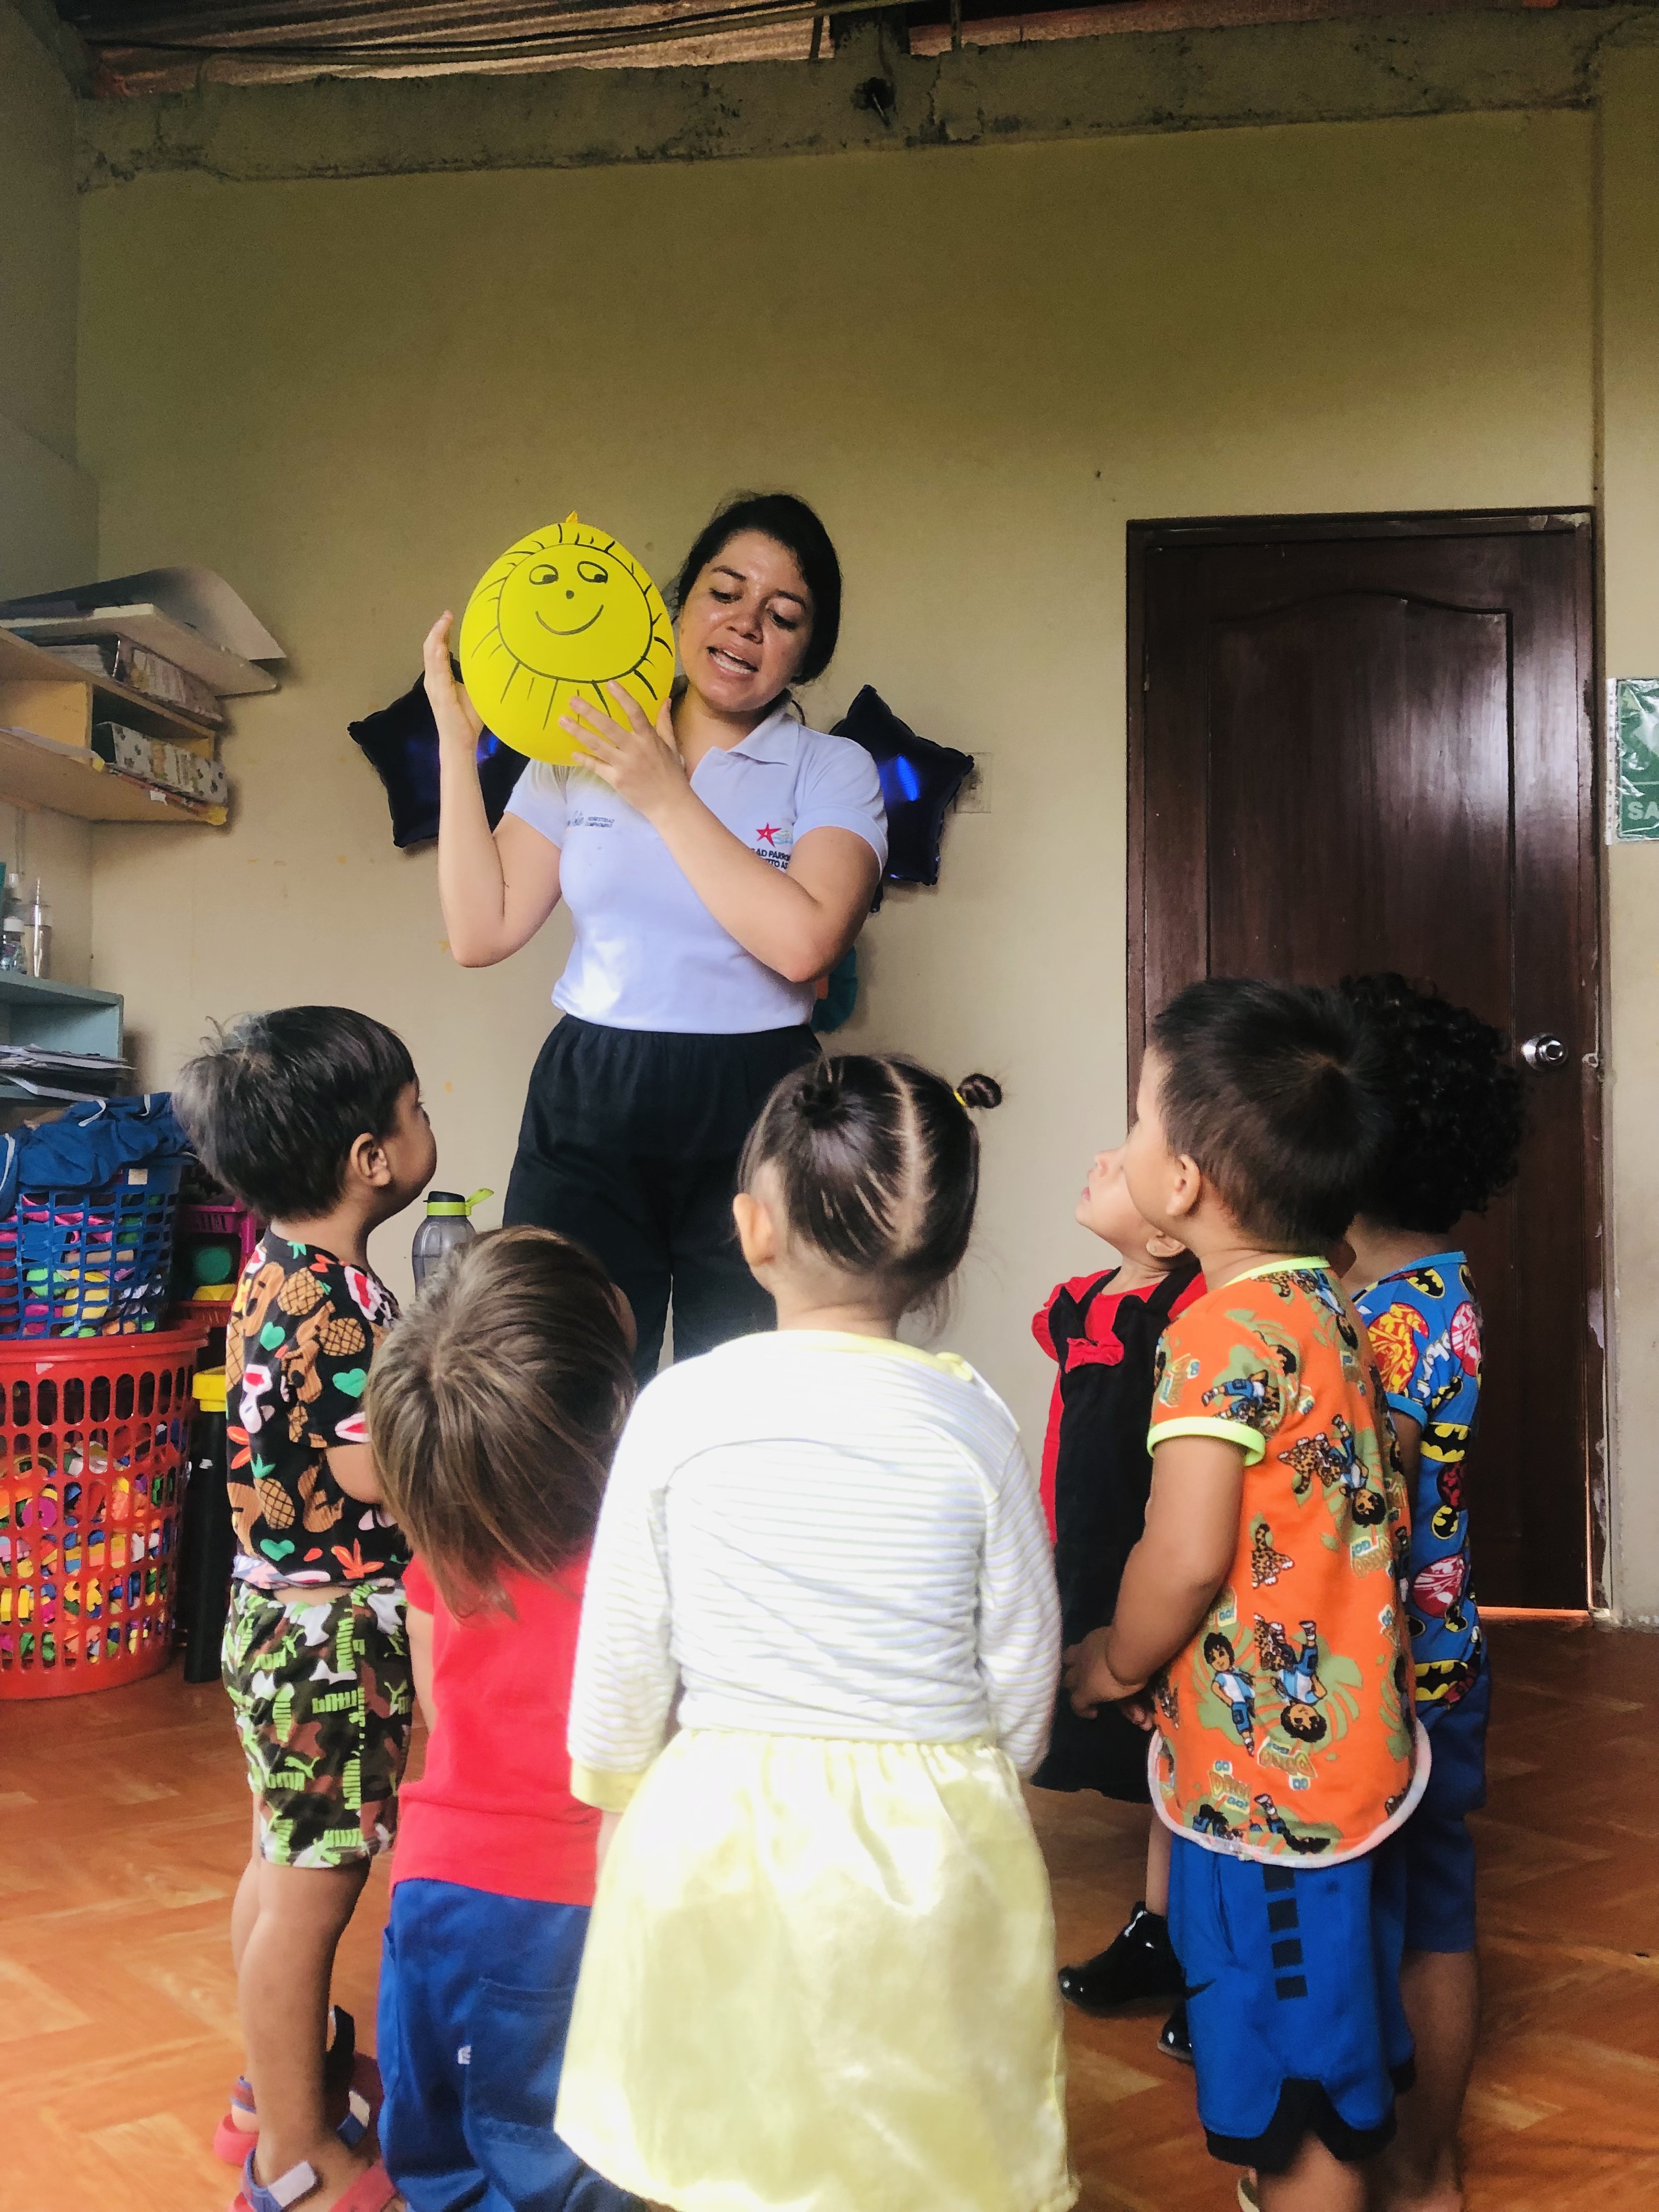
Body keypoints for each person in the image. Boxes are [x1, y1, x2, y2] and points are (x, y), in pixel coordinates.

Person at [553, 1054, 1074, 2212]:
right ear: (945, 1254)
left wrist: (620, 1801)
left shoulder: (678, 1409)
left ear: (752, 1229)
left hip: (717, 1833)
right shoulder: (974, 1422)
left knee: (720, 2137)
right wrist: (984, 1774)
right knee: (921, 2144)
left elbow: (624, 1650)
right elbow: (1023, 1658)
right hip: (931, 1840)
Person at [1064, 978, 1426, 2212]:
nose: (1126, 1139)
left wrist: (1115, 1659)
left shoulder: (1215, 1338)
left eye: (1140, 1117)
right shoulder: (1336, 1305)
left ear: (1184, 1184)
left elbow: (1184, 1555)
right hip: (1360, 1757)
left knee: (1295, 2088)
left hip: (1272, 1788)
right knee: (1339, 2019)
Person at [427, 492, 887, 1380]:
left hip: (761, 1099)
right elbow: (481, 930)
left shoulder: (832, 769)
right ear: (677, 604)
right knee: (566, 1377)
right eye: (725, 592)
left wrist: (666, 792)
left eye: (783, 615)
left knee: (747, 1386)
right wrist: (456, 744)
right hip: (589, 1089)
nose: (745, 624)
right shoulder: (578, 748)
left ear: (808, 650)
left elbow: (806, 944)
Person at [174, 1008, 437, 2212]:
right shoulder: (347, 1307)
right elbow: (371, 1468)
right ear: (371, 1160)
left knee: (278, 1869)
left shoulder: (274, 1268)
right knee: (312, 1900)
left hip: (271, 1620)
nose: (424, 1125)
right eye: (415, 1110)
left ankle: (270, 2091)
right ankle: (295, 2155)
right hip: (333, 1640)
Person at [364, 1227, 644, 2212]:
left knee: (437, 2151)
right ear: (612, 1408)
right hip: (563, 1905)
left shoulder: (444, 1543)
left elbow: (442, 1707)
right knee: (562, 2162)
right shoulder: (637, 1562)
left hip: (432, 1887)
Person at [1340, 973, 1522, 2212]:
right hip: (1446, 1661)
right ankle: (1429, 2174)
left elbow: (1367, 1505)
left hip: (1379, 1680)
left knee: (1383, 1920)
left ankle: (1392, 2166)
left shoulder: (1377, 1324)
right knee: (1438, 1909)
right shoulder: (1439, 1290)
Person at [1032, 1142, 1203, 2061]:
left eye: (1127, 1155)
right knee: (1155, 1764)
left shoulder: (1192, 1314)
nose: (1103, 1160)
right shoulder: (1081, 1304)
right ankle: (1164, 1934)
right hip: (1085, 1561)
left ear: (1169, 1233)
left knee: (1185, 1751)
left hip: (1154, 1559)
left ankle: (1204, 1953)